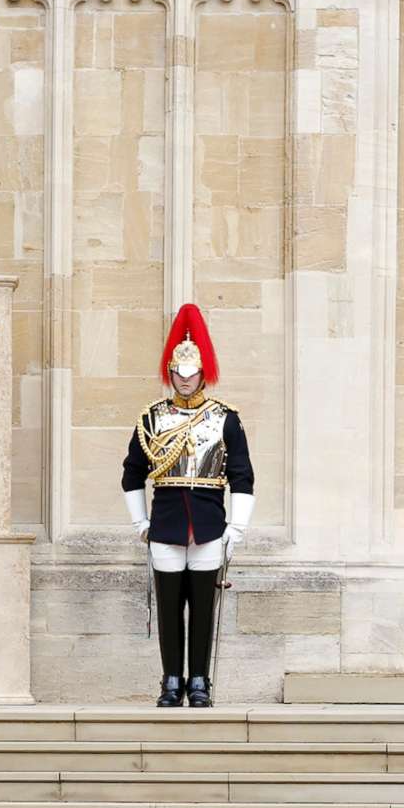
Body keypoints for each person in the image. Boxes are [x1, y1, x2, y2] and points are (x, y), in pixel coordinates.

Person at [122, 303, 254, 708]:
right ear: (170, 373)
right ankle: (171, 679)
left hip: (208, 523)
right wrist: (139, 521)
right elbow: (132, 473)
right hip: (166, 523)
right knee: (168, 606)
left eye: (191, 372)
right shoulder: (152, 419)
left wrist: (237, 528)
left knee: (202, 606)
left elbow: (243, 476)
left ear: (203, 372)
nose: (184, 379)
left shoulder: (225, 419)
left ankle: (199, 680)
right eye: (177, 372)